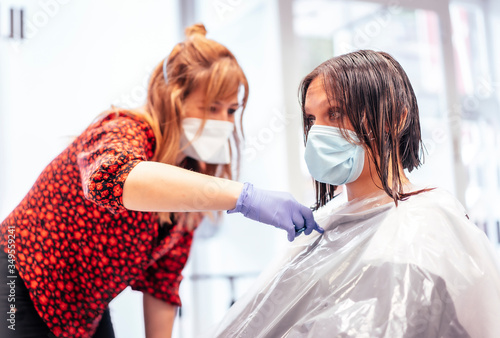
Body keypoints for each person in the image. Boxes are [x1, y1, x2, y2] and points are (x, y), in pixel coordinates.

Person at [0, 23, 323, 338]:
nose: (224, 122)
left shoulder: (190, 179)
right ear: (174, 98)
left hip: (83, 312)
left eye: (231, 110)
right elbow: (112, 179)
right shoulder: (121, 130)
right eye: (212, 107)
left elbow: (162, 282)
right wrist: (245, 198)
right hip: (18, 278)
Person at [205, 50, 500, 337]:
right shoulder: (322, 225)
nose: (318, 132)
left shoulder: (427, 224)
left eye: (335, 113)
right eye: (311, 119)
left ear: (395, 119)